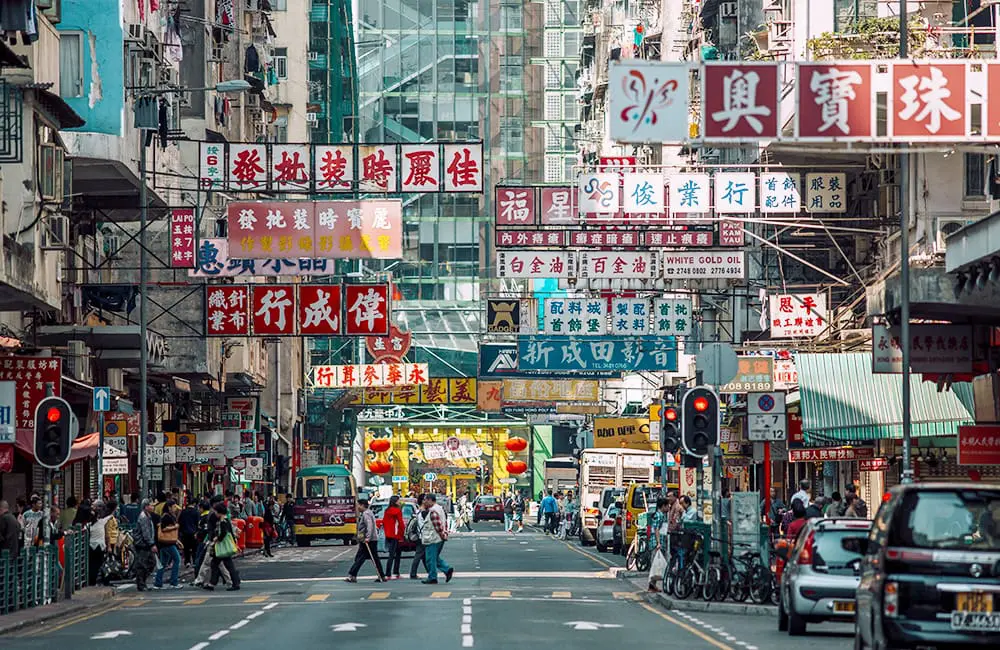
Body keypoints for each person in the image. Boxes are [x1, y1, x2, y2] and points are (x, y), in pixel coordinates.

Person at [345, 499, 386, 583]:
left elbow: (369, 526)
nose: (357, 507)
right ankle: (381, 575)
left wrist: (367, 537)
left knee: (361, 558)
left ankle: (352, 575)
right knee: (371, 558)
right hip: (370, 539)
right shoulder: (368, 512)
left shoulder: (366, 514)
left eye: (358, 505)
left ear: (362, 505)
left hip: (368, 540)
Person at [205, 503, 241, 591]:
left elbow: (223, 533)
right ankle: (213, 583)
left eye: (216, 512)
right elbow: (231, 533)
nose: (215, 514)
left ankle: (214, 583)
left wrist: (217, 539)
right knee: (220, 564)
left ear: (219, 512)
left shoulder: (223, 521)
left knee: (220, 564)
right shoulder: (226, 520)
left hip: (222, 546)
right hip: (225, 546)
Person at [420, 494, 452, 585]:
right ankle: (447, 569)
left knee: (430, 559)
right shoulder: (439, 508)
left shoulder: (433, 511)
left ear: (430, 500)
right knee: (434, 558)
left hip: (433, 538)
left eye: (425, 500)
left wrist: (442, 535)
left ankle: (432, 577)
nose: (424, 502)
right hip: (436, 537)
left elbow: (438, 526)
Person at [154, 506, 183, 589]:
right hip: (168, 544)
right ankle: (174, 582)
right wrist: (175, 527)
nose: (175, 508)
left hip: (164, 544)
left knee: (163, 563)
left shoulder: (166, 516)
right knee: (177, 560)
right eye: (174, 506)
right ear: (169, 507)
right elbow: (164, 528)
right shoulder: (166, 517)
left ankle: (158, 583)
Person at [133, 499, 158, 591]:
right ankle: (141, 584)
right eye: (151, 505)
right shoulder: (143, 517)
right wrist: (152, 544)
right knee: (142, 565)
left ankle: (143, 582)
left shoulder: (148, 516)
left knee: (151, 563)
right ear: (146, 507)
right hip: (143, 544)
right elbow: (146, 533)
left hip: (146, 544)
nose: (153, 507)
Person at [647, 497, 670, 592]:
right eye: (667, 505)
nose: (668, 507)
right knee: (655, 564)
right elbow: (656, 529)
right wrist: (658, 543)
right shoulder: (659, 515)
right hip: (656, 542)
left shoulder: (662, 515)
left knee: (657, 564)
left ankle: (653, 586)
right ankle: (651, 585)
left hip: (660, 541)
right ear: (663, 506)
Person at [383, 495, 404, 579]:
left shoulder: (387, 511)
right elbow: (401, 524)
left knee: (391, 554)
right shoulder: (397, 511)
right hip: (396, 535)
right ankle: (394, 572)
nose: (400, 502)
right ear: (395, 502)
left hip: (388, 534)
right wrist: (402, 534)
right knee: (397, 554)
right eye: (399, 501)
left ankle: (389, 573)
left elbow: (384, 522)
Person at [408, 494, 429, 580]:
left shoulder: (418, 511)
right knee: (419, 555)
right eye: (426, 499)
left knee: (423, 556)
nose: (427, 501)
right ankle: (413, 573)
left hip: (420, 536)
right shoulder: (423, 512)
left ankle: (430, 572)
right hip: (422, 537)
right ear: (423, 501)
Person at [178, 500, 200, 567]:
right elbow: (198, 522)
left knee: (186, 548)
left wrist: (180, 531)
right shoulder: (196, 512)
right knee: (194, 548)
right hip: (194, 532)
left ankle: (187, 561)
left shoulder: (183, 512)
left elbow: (180, 521)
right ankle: (194, 561)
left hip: (185, 532)